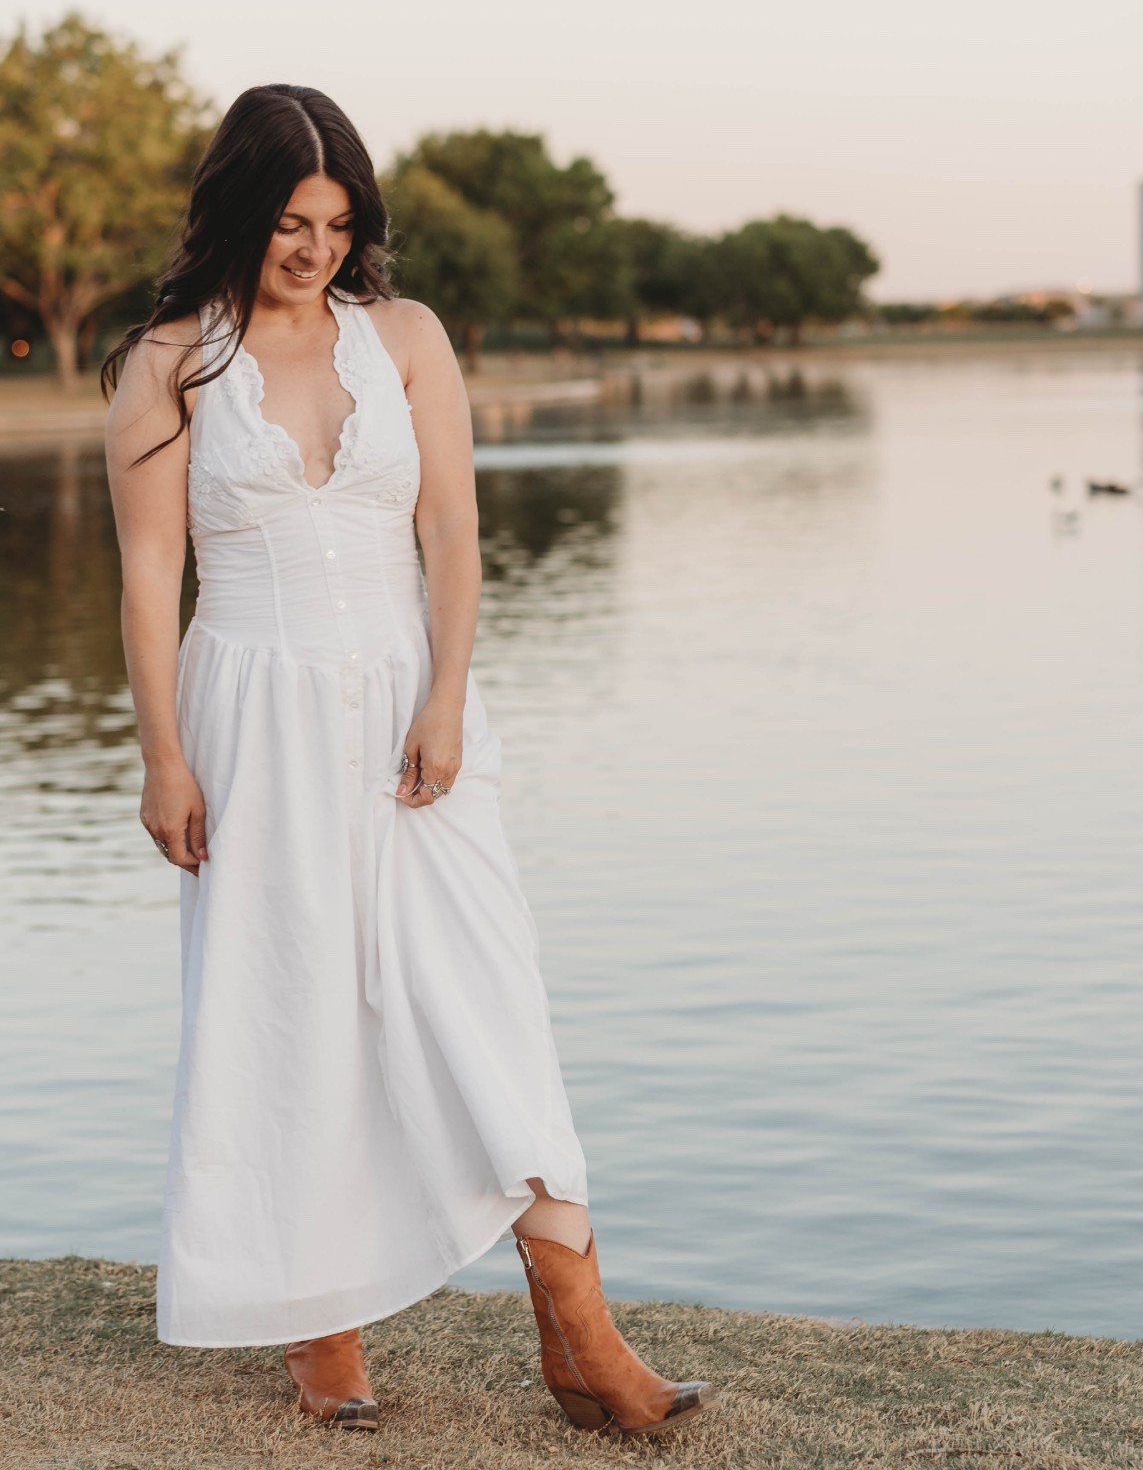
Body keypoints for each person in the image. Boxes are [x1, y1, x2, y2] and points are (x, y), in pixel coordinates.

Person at [102, 85, 716, 1437]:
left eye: (335, 222)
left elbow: (454, 534)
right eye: (286, 220)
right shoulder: (169, 362)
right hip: (249, 711)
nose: (311, 248)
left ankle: (584, 1342)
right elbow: (151, 577)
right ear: (238, 213)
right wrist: (162, 759)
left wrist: (446, 696)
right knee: (291, 1007)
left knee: (485, 1002)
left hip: (409, 708)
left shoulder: (408, 339)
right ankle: (319, 1336)